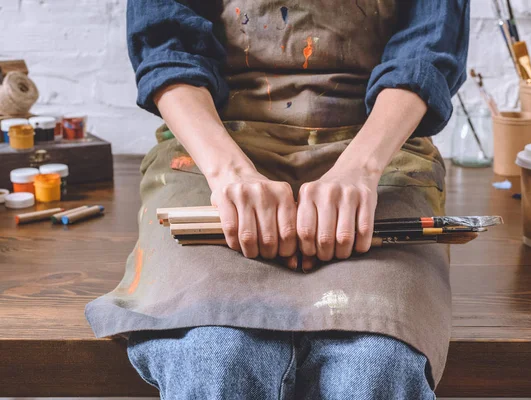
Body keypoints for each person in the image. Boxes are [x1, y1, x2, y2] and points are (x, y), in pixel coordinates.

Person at [86, 0, 469, 398]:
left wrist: (361, 170)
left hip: (382, 147)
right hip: (210, 145)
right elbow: (167, 48)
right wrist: (228, 173)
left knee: (378, 360)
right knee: (216, 351)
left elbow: (425, 53)